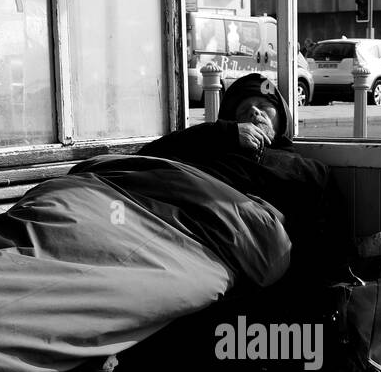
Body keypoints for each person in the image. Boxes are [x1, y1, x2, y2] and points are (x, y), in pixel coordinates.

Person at [138, 73, 357, 285]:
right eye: (243, 110)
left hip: (236, 257)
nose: (254, 111)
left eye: (263, 107)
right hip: (173, 228)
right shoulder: (211, 151)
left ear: (281, 117)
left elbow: (335, 247)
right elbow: (145, 157)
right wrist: (224, 133)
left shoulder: (310, 171)